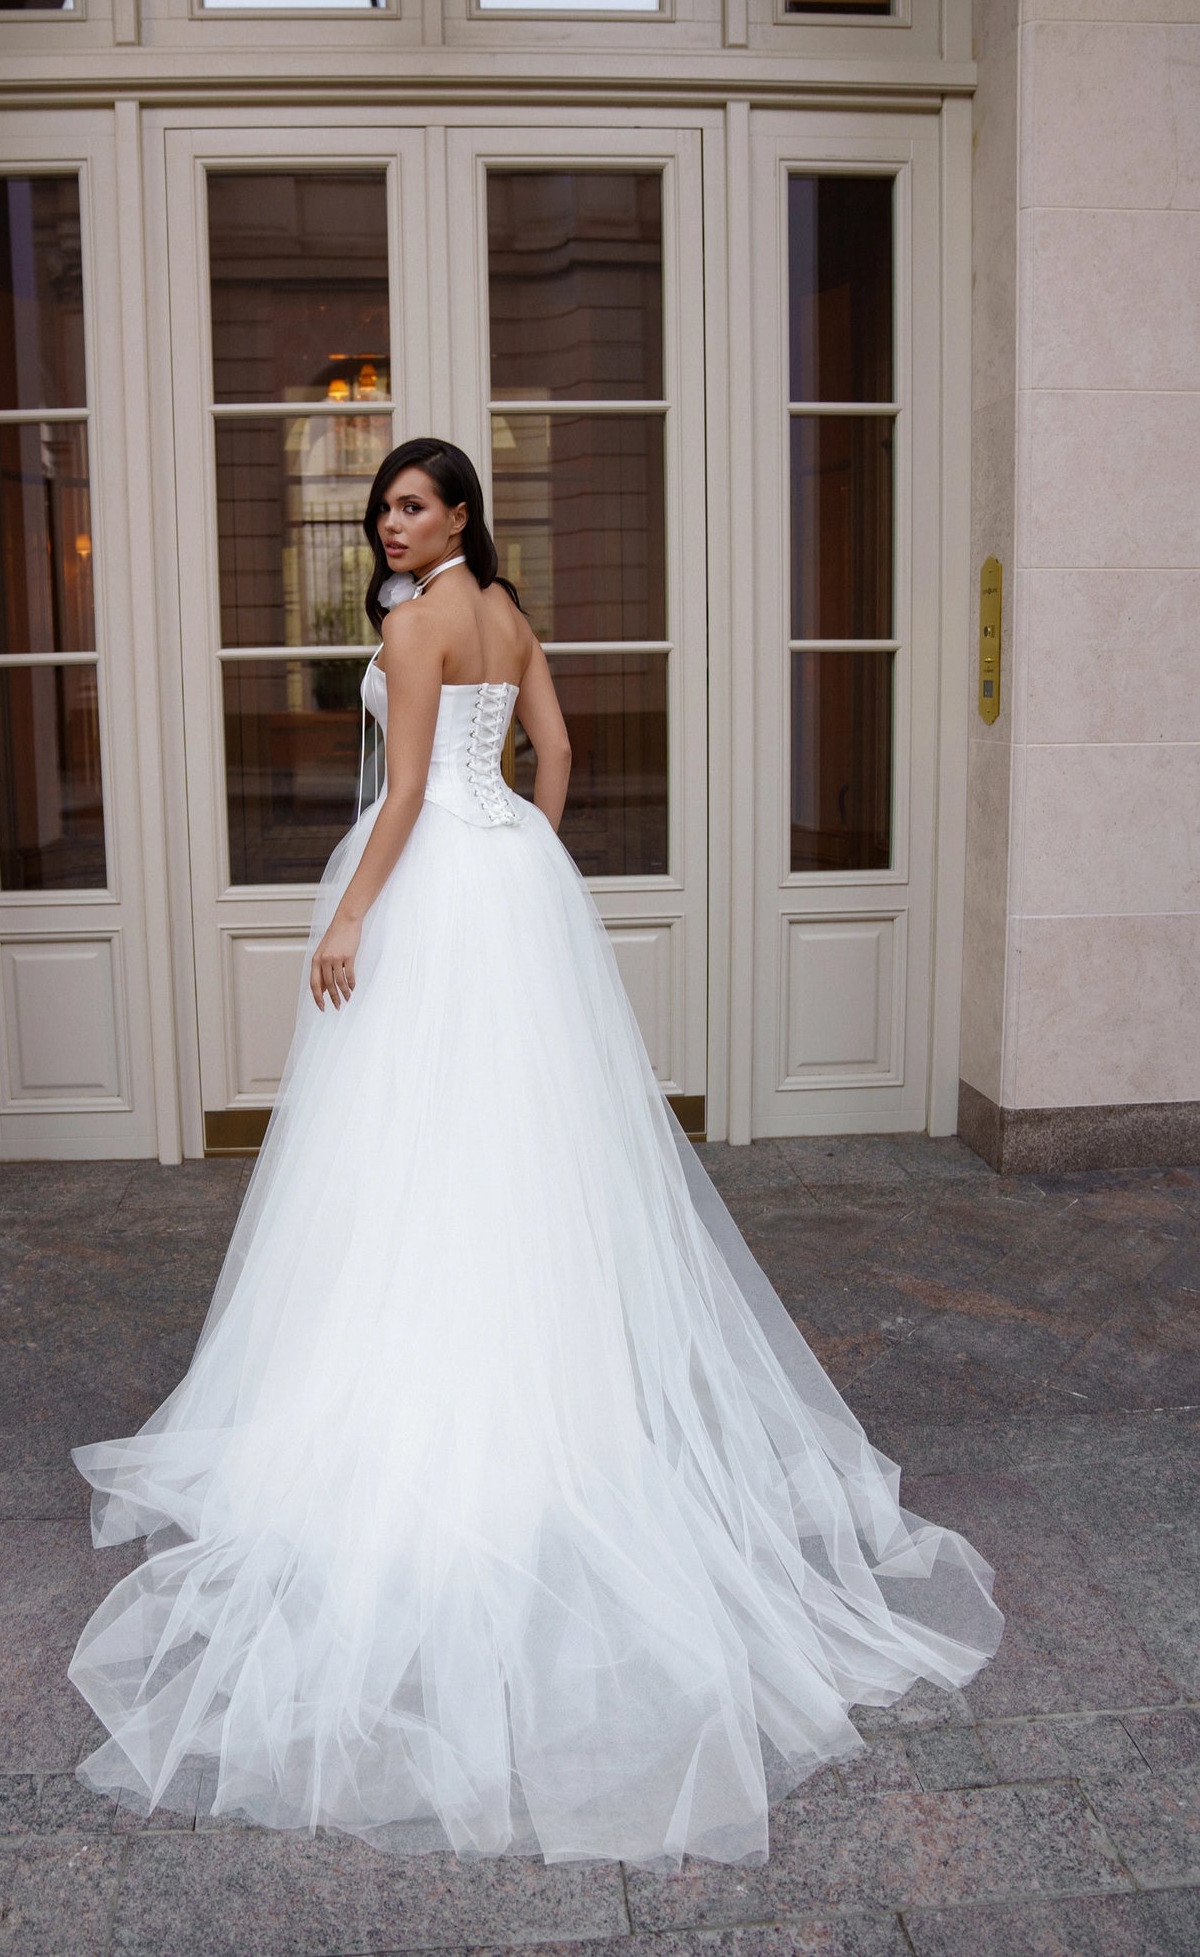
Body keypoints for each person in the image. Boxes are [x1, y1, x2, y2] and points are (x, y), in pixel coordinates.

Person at [66, 436, 1003, 1870]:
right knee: (525, 1139)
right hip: (507, 879)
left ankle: (422, 1368)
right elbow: (551, 757)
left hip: (432, 880)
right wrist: (514, 858)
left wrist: (350, 919)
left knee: (412, 1140)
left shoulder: (412, 616)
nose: (391, 524)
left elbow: (395, 794)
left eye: (414, 505)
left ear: (457, 514)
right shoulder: (508, 611)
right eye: (383, 506)